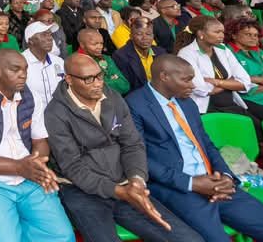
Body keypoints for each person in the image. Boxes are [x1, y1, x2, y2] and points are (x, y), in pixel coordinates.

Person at [127, 55, 263, 242]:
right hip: (179, 188)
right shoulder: (134, 105)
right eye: (186, 80)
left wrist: (225, 176)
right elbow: (138, 158)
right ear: (164, 77)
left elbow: (206, 144)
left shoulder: (187, 103)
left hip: (215, 181)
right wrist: (191, 183)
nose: (193, 85)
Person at [45, 54, 201, 242]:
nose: (98, 83)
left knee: (187, 239)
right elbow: (73, 167)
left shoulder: (112, 97)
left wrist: (137, 180)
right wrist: (119, 191)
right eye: (88, 79)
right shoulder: (55, 113)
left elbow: (133, 144)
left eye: (100, 76)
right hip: (82, 191)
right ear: (69, 79)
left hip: (125, 183)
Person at [0, 49, 74, 242]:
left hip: (29, 177)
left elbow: (40, 140)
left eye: (25, 69)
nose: (23, 74)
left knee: (62, 236)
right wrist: (20, 167)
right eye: (15, 69)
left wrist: (37, 163)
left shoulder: (32, 97)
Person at [174, 15, 262, 128]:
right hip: (206, 109)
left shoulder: (223, 49)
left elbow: (245, 82)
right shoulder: (187, 53)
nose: (221, 36)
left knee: (257, 128)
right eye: (217, 32)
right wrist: (230, 82)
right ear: (201, 33)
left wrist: (217, 82)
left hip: (230, 104)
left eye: (222, 32)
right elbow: (201, 89)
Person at [224, 17, 263, 116]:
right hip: (250, 101)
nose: (254, 38)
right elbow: (243, 87)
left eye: (256, 35)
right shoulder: (227, 53)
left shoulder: (259, 51)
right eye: (248, 34)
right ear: (234, 35)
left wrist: (257, 79)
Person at [113, 17, 166, 93]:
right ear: (131, 36)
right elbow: (127, 88)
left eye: (148, 34)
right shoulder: (121, 56)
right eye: (139, 34)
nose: (145, 38)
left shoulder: (161, 52)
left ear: (153, 35)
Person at [22, 21, 65, 107]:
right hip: (32, 114)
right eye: (44, 35)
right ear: (31, 41)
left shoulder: (58, 61)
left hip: (57, 113)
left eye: (50, 34)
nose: (50, 39)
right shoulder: (20, 62)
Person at [77, 28, 130, 95]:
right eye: (95, 44)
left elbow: (125, 85)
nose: (100, 47)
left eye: (101, 43)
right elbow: (90, 91)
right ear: (82, 45)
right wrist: (112, 79)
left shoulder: (106, 58)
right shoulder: (76, 63)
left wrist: (103, 82)